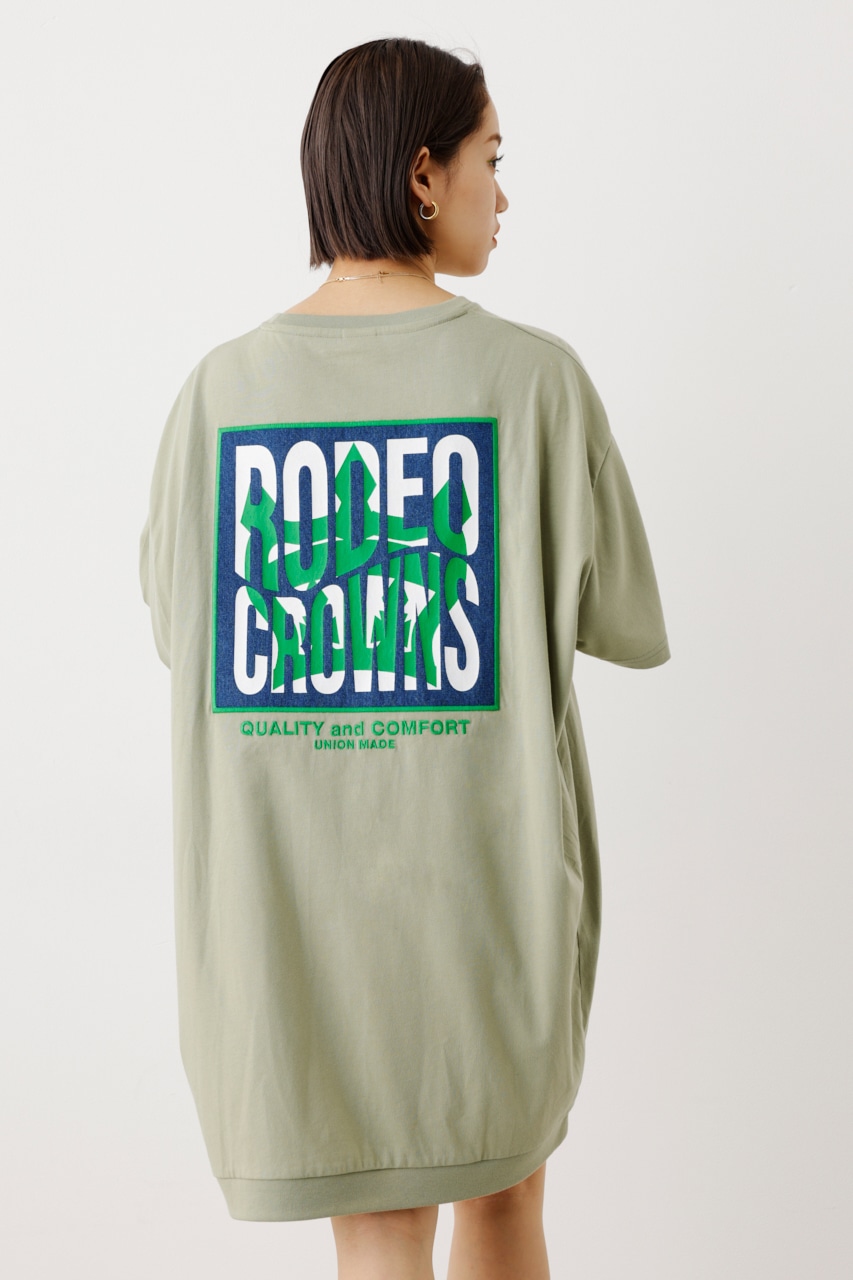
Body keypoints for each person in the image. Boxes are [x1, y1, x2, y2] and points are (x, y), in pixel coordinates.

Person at [140, 36, 671, 1280]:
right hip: (487, 910)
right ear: (424, 175)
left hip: (289, 929)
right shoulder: (535, 383)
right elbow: (621, 614)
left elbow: (182, 633)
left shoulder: (217, 397)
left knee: (373, 1235)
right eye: (492, 158)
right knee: (504, 1195)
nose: (504, 192)